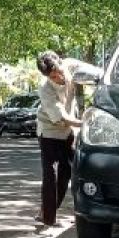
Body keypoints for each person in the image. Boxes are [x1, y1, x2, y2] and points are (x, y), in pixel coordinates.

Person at [35, 50, 85, 226]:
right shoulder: (45, 88)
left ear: (61, 63)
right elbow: (61, 116)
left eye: (59, 72)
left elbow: (95, 73)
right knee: (50, 174)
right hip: (49, 132)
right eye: (53, 76)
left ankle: (48, 208)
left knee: (66, 173)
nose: (58, 78)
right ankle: (48, 218)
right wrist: (83, 123)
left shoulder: (71, 65)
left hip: (67, 133)